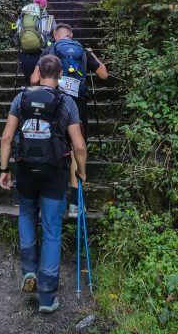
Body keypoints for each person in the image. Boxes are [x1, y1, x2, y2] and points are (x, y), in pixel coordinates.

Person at [0, 54, 87, 313]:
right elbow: (79, 145)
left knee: (26, 214)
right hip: (54, 174)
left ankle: (29, 270)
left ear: (38, 71)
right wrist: (81, 172)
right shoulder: (67, 102)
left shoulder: (21, 98)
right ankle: (47, 297)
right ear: (60, 74)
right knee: (51, 230)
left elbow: (6, 137)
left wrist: (4, 169)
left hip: (26, 170)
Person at [33, 23, 109, 216]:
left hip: (53, 105)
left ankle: (47, 202)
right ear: (71, 35)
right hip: (78, 106)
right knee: (77, 147)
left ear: (55, 35)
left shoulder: (50, 50)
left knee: (51, 145)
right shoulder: (81, 50)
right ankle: (76, 204)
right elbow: (103, 74)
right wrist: (92, 55)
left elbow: (33, 80)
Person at [12, 0, 56, 85]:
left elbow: (16, 34)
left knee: (29, 80)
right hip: (43, 54)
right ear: (46, 5)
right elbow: (56, 35)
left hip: (25, 54)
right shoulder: (49, 18)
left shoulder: (22, 17)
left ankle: (30, 91)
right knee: (43, 81)